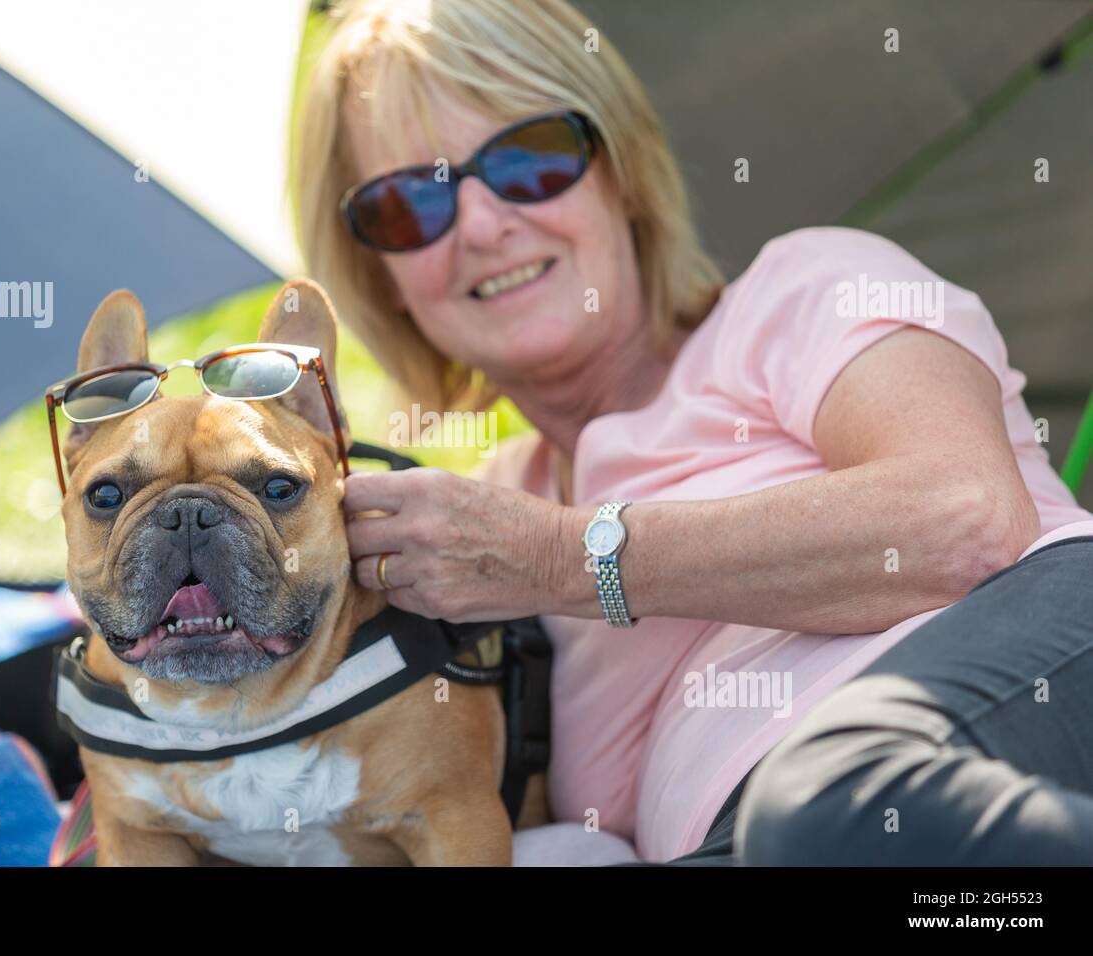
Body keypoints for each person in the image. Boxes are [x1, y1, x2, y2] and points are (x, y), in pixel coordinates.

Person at [292, 0, 1093, 864]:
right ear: (379, 276)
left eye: (530, 161)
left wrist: (564, 557)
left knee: (827, 809)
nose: (485, 226)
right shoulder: (466, 537)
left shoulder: (803, 290)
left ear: (622, 172)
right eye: (414, 202)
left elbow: (967, 518)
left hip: (999, 695)